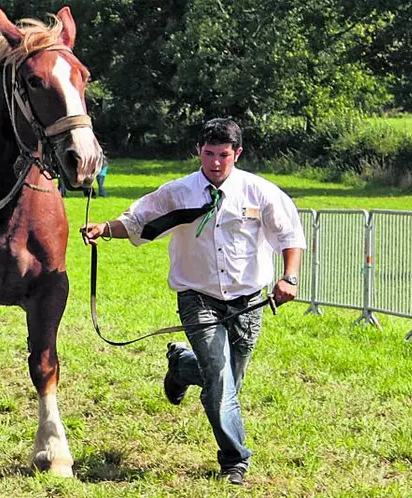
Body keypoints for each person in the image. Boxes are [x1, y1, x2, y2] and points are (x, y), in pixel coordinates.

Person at [81, 118, 305, 485]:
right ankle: (235, 459)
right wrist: (104, 229)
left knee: (231, 378)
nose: (215, 163)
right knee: (220, 380)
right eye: (208, 154)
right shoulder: (179, 192)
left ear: (237, 154)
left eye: (223, 155)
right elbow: (139, 221)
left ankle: (182, 366)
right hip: (197, 299)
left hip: (248, 302)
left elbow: (288, 235)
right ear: (198, 152)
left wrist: (289, 276)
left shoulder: (260, 192)